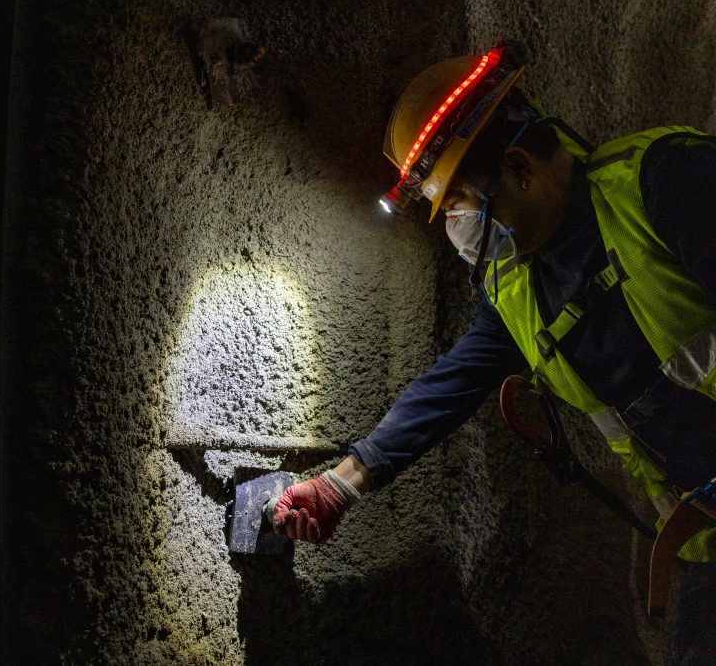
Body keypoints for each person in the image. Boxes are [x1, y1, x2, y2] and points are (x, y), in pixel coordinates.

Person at [272, 41, 716, 662]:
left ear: (518, 168)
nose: (457, 232)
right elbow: (449, 386)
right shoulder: (517, 292)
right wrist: (340, 485)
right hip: (704, 540)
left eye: (457, 207)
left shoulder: (666, 183)